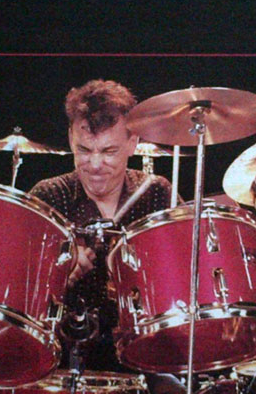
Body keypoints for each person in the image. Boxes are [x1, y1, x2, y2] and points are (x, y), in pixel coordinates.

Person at [30, 80, 174, 375]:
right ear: (70, 138)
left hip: (145, 362)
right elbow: (16, 294)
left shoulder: (156, 193)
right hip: (58, 367)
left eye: (109, 151)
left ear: (133, 143)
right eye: (84, 149)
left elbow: (183, 279)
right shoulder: (48, 197)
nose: (95, 164)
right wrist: (56, 275)